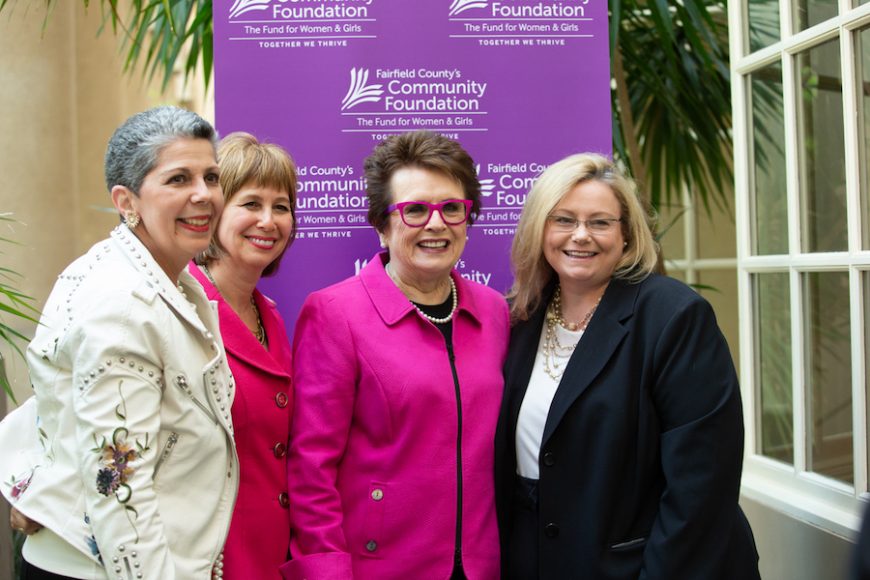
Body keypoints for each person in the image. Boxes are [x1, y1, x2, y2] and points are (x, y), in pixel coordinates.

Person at [494, 153, 761, 579]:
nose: (580, 236)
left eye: (600, 222)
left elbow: (701, 486)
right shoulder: (521, 318)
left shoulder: (673, 316)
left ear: (627, 236)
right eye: (563, 219)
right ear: (539, 230)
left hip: (645, 564)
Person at [0, 106, 237, 579]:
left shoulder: (145, 272)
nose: (203, 195)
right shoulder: (121, 305)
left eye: (211, 176)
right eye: (178, 179)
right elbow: (119, 488)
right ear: (126, 201)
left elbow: (58, 391)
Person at [282, 131, 509, 579]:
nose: (436, 224)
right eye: (416, 210)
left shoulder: (494, 312)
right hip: (378, 568)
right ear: (383, 225)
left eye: (452, 208)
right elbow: (311, 468)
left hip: (481, 566)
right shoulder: (334, 314)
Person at [189, 132, 296, 579]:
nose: (268, 221)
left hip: (270, 554)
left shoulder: (271, 316)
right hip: (205, 556)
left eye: (281, 207)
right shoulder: (179, 308)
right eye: (251, 204)